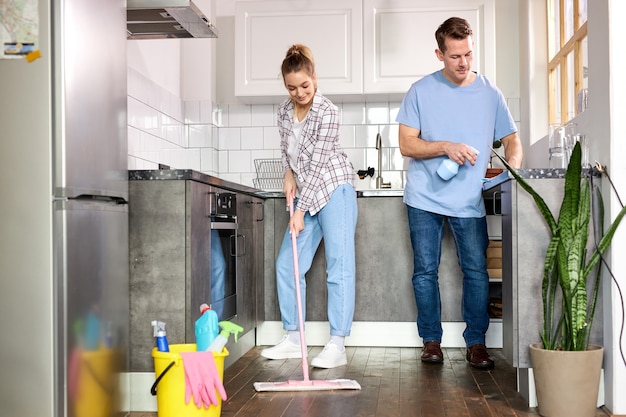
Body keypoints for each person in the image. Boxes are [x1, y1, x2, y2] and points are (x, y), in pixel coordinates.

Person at [396, 17, 523, 369]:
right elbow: (406, 144)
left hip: (468, 199)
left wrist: (511, 169)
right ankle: (431, 342)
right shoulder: (420, 91)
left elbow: (513, 141)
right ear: (439, 54)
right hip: (424, 197)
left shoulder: (490, 93)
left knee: (476, 272)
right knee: (425, 271)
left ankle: (477, 344)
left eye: (468, 53)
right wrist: (445, 147)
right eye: (454, 56)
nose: (463, 62)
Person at [260, 44, 358, 369]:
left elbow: (316, 167)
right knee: (287, 265)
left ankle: (338, 344)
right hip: (306, 191)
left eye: (304, 85)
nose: (299, 92)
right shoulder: (283, 113)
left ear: (314, 77)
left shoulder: (328, 112)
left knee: (338, 267)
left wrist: (300, 210)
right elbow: (288, 151)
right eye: (291, 87)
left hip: (333, 188)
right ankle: (293, 337)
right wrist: (287, 172)